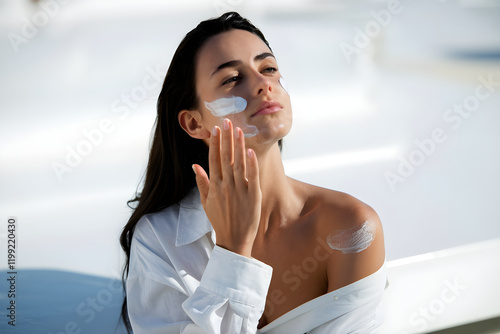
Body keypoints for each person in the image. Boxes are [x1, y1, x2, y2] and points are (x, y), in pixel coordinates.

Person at [120, 11, 386, 334]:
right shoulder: (159, 240)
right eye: (232, 79)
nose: (263, 85)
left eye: (269, 69)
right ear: (194, 123)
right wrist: (232, 251)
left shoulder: (351, 230)